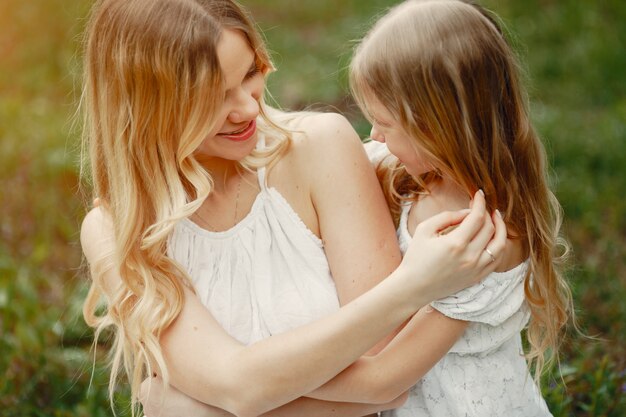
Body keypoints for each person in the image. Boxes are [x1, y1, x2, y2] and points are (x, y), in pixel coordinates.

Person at [140, 1, 575, 416]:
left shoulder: (477, 236)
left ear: (437, 128)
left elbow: (383, 382)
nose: (374, 137)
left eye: (385, 124)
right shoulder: (414, 175)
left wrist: (240, 384)